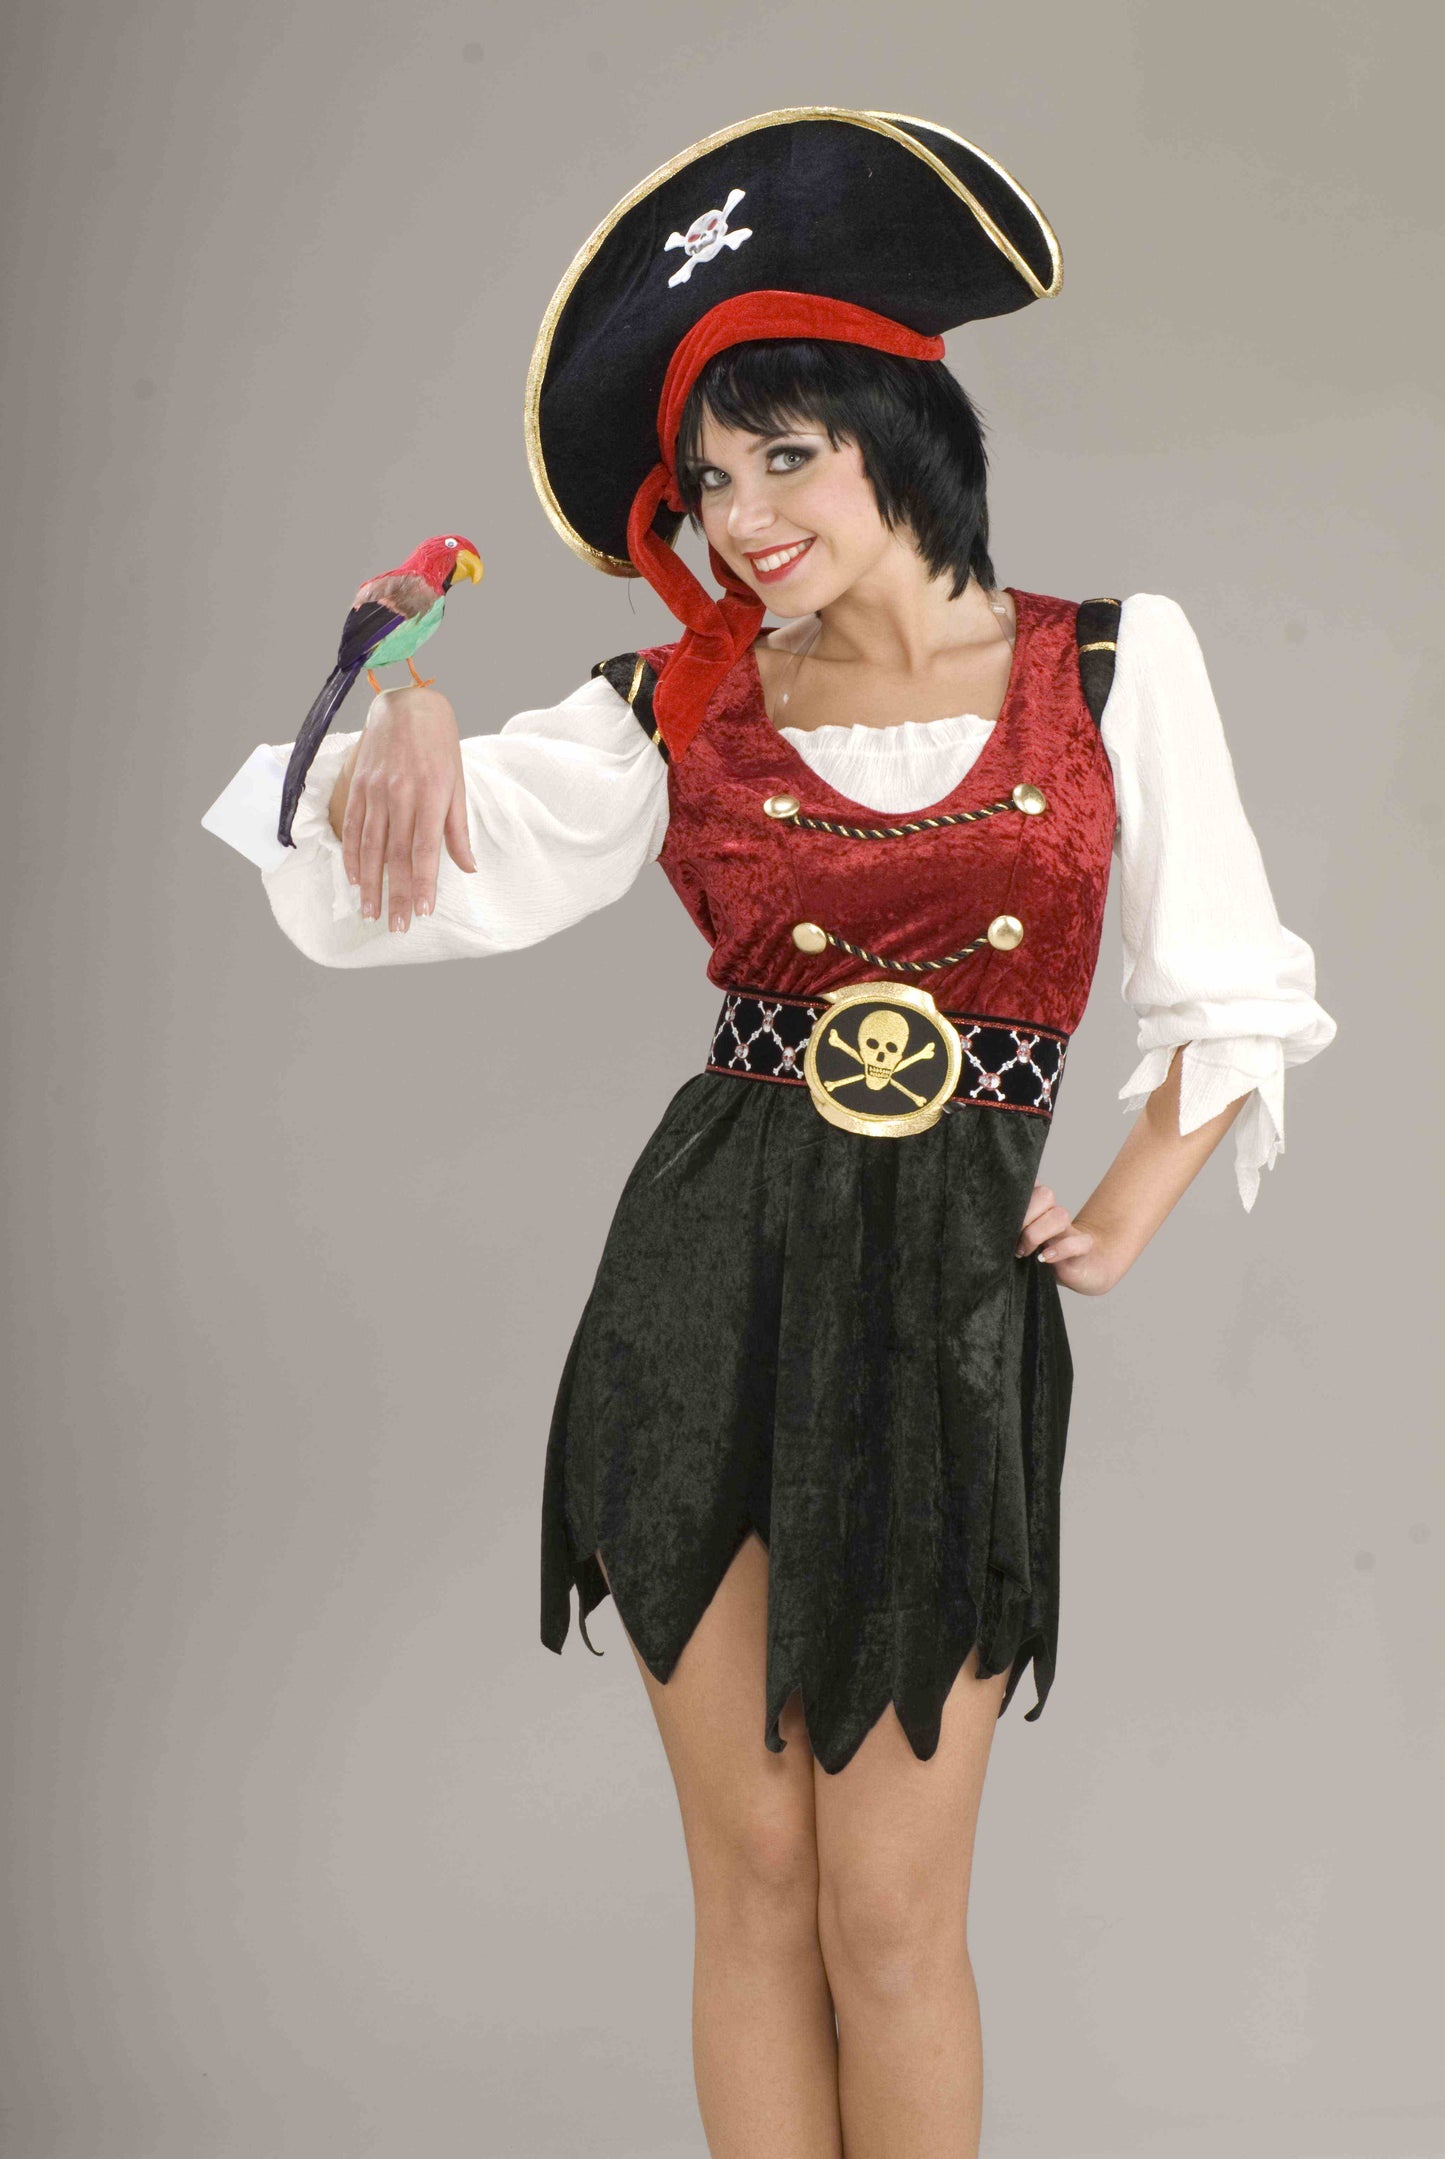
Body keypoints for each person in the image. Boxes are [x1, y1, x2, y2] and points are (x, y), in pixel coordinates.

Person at [203, 108, 1336, 2159]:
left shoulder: (1107, 663)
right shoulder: (672, 706)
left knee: (891, 1915)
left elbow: (1229, 986)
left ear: (904, 432)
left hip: (944, 1312)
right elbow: (379, 865)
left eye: (782, 458)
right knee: (756, 1887)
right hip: (700, 1292)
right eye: (708, 485)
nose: (742, 520)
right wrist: (409, 707)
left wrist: (1128, 1205)